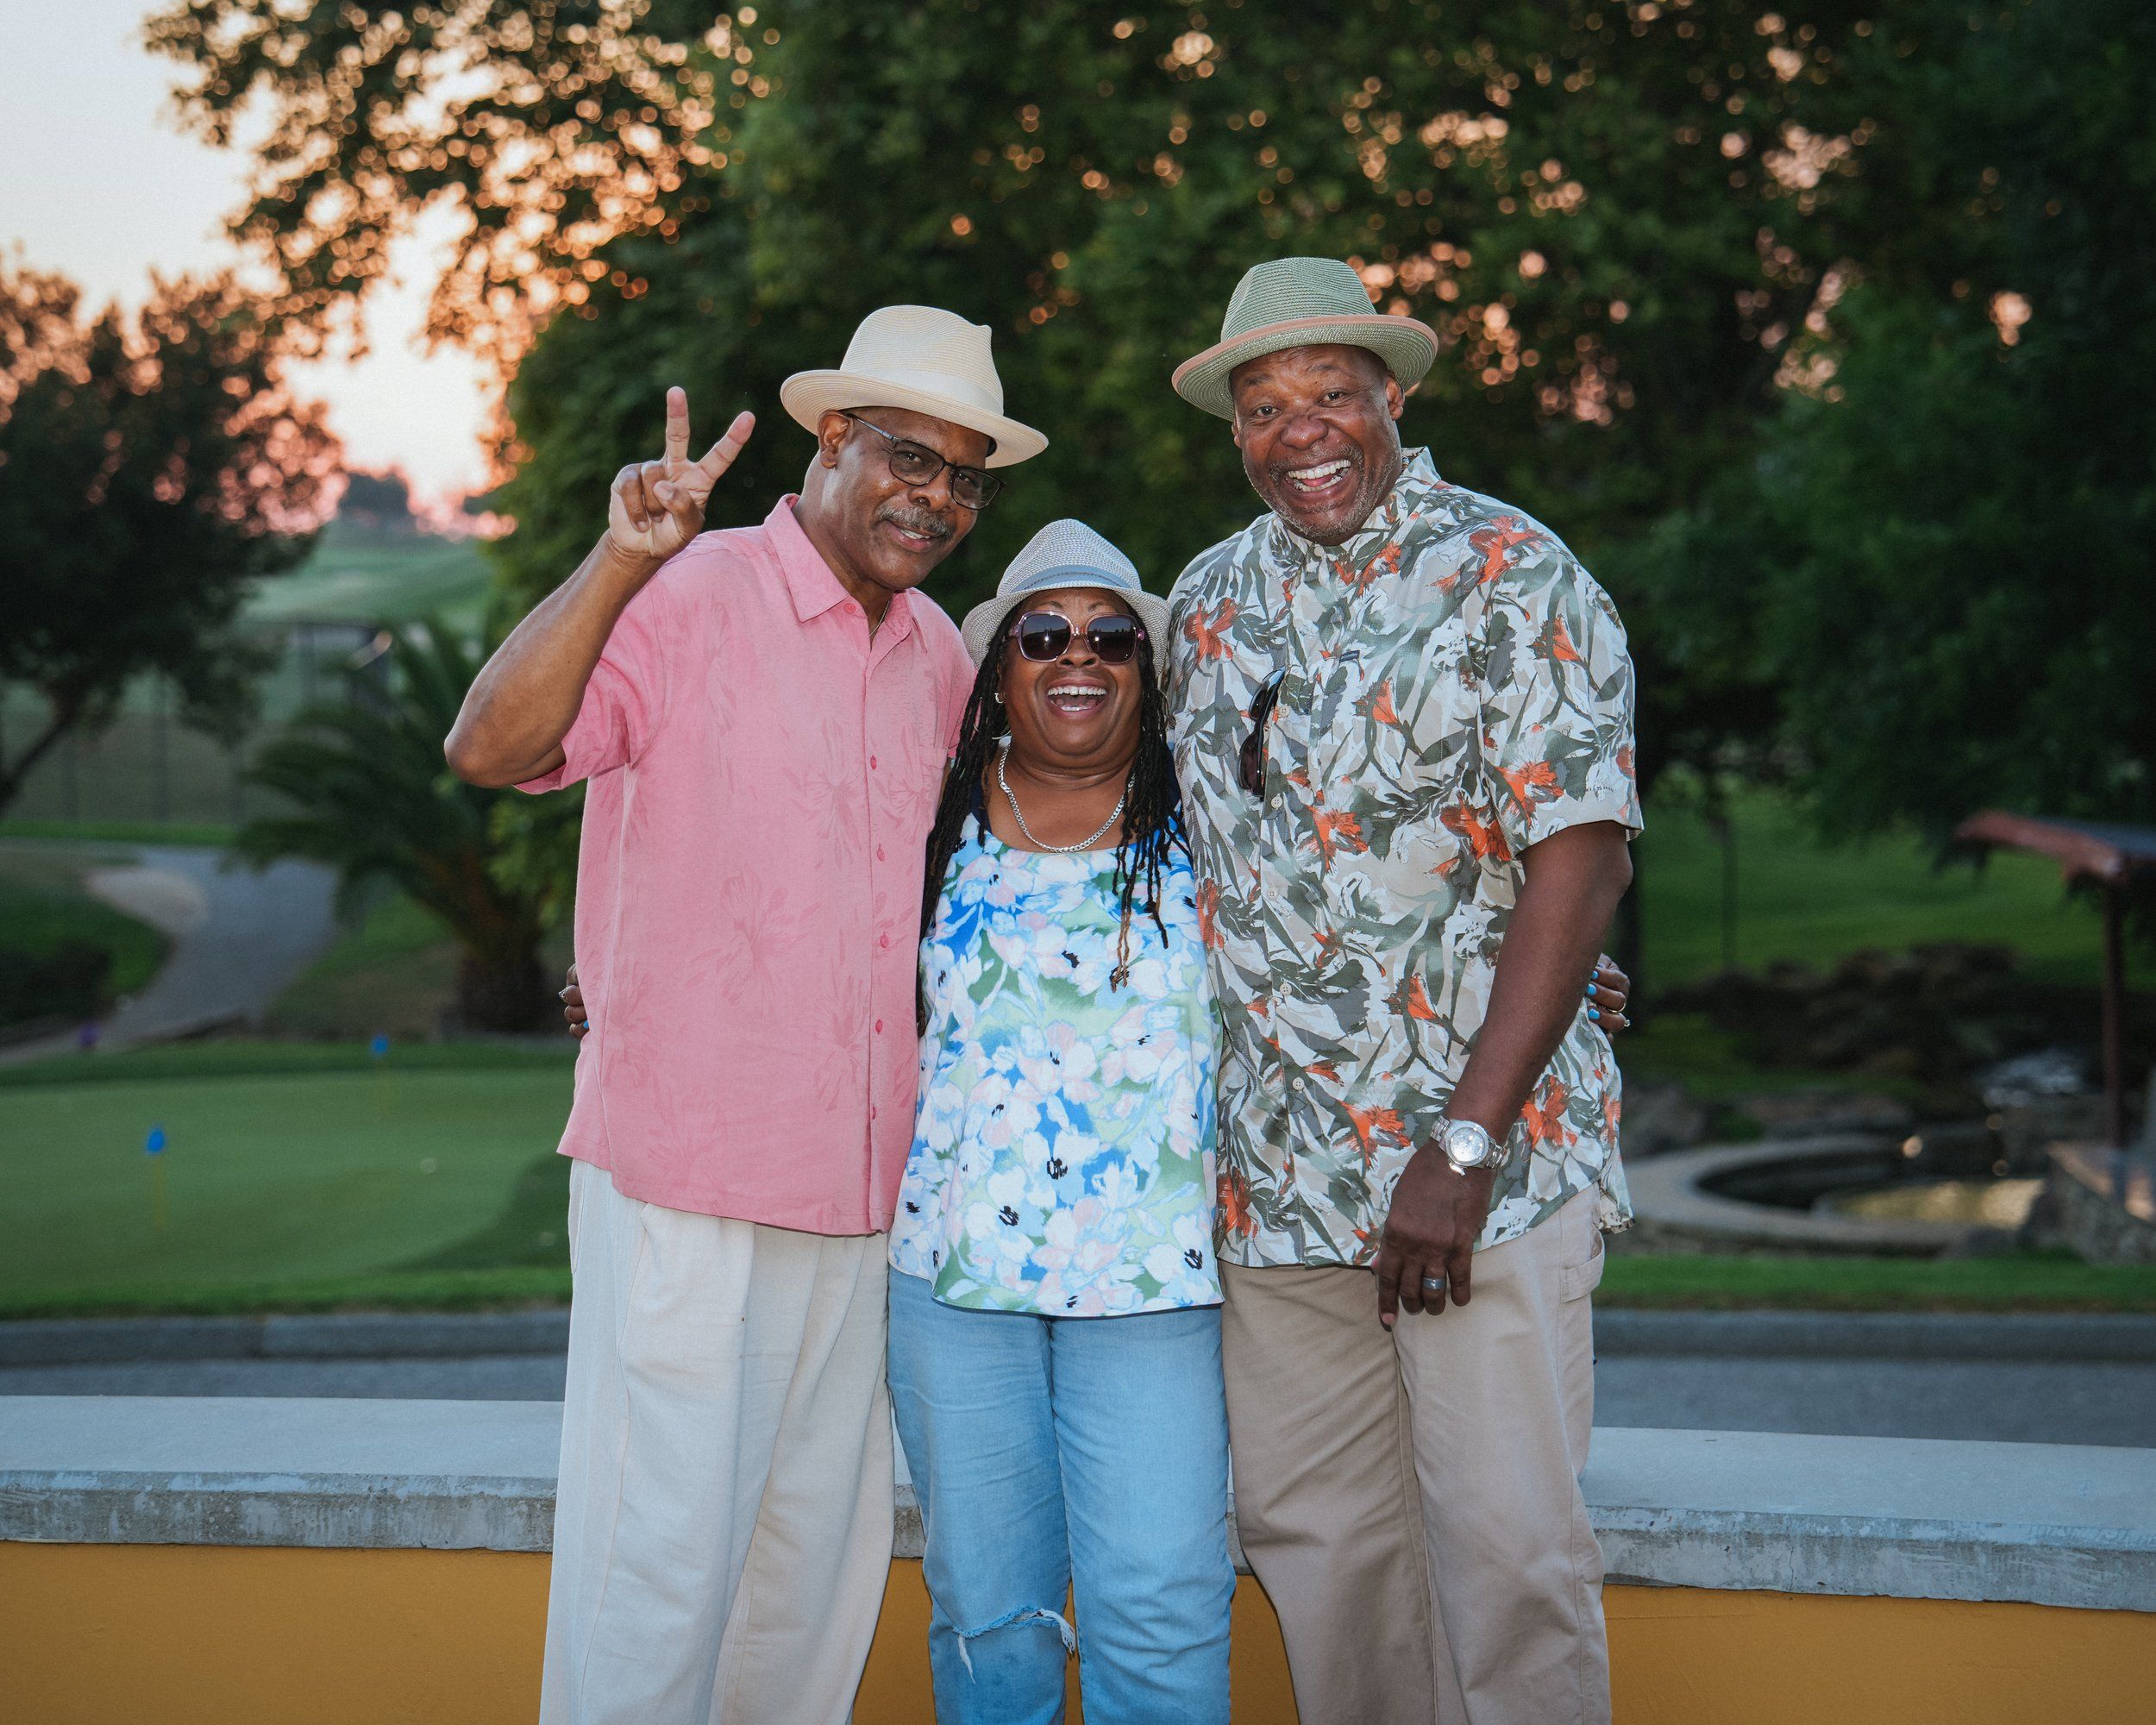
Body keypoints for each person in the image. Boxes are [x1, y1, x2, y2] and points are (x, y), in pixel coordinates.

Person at [442, 304, 1045, 1725]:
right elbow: (492, 745)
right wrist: (615, 558)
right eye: (911, 455)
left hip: (869, 1203)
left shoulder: (942, 667)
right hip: (689, 1185)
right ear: (831, 440)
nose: (938, 498)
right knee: (653, 1581)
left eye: (967, 476)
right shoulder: (687, 589)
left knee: (807, 1597)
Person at [1164, 257, 1643, 1725]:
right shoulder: (1201, 606)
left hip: (1478, 1178)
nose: (1300, 432)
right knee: (1328, 1563)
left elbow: (1581, 863)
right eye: (1264, 408)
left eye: (1329, 396)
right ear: (1236, 432)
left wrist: (1467, 1143)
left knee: (1510, 1562)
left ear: (1391, 398)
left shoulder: (1518, 574)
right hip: (1277, 1190)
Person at [887, 520, 1235, 1724]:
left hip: (1158, 1284)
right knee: (990, 1615)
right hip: (954, 1285)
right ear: (1000, 671)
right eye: (1043, 634)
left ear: (1148, 668)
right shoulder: (923, 826)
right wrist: (624, 980)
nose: (1075, 656)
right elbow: (773, 926)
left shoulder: (1218, 828)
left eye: (1110, 638)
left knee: (1165, 1601)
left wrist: (1557, 983)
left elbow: (1360, 935)